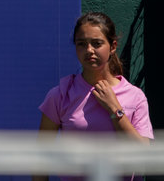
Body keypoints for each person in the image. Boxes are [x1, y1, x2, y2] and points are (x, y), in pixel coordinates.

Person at [34, 12, 152, 181]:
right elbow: (40, 157)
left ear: (112, 46)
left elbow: (144, 155)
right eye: (81, 44)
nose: (89, 50)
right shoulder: (59, 95)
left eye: (97, 44)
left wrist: (115, 109)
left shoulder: (135, 96)